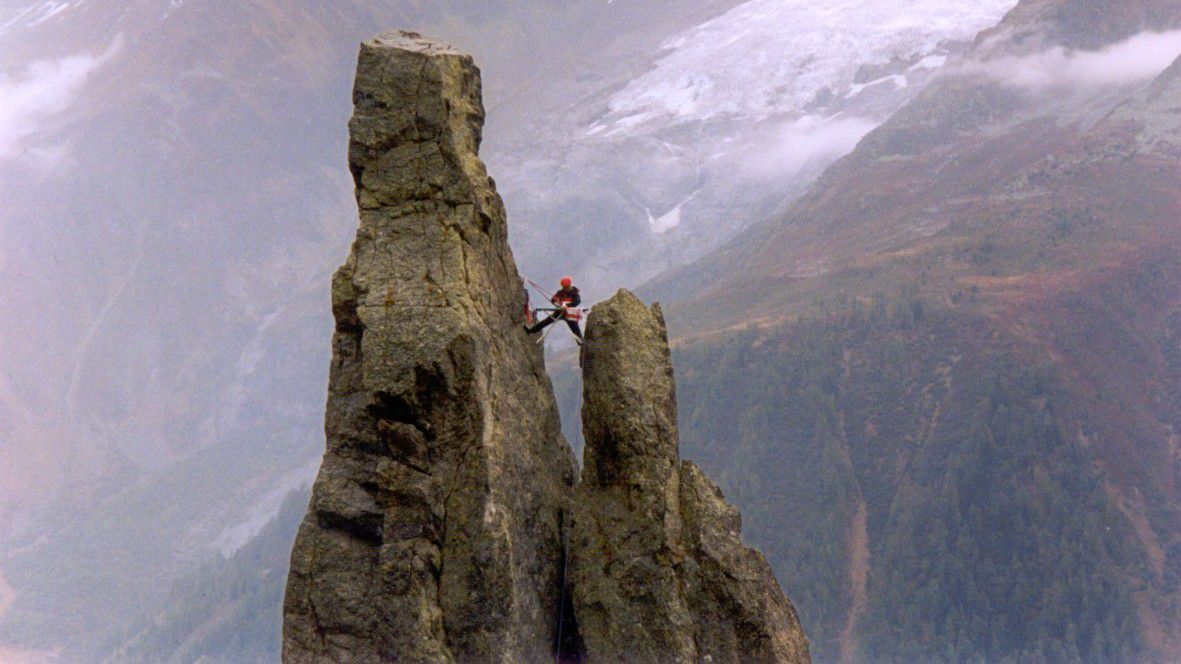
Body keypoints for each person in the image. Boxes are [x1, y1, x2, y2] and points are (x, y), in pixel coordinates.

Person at [526, 276, 584, 341]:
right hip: (559, 312)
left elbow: (577, 302)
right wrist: (557, 304)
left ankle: (581, 343)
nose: (566, 288)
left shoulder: (575, 293)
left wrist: (567, 305)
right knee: (545, 322)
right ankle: (530, 331)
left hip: (569, 313)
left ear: (570, 285)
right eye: (564, 287)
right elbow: (553, 300)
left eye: (567, 287)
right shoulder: (560, 292)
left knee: (575, 328)